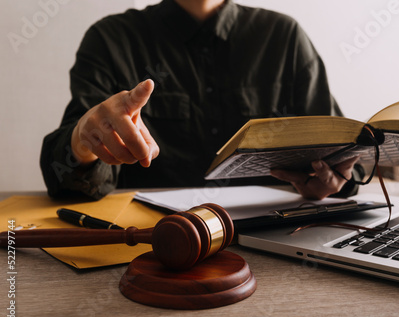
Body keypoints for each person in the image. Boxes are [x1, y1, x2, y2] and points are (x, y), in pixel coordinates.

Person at [40, 0, 363, 201]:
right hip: (149, 249)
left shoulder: (284, 37)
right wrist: (84, 140)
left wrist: (334, 180)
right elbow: (61, 175)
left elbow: (343, 156)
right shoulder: (111, 40)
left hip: (277, 246)